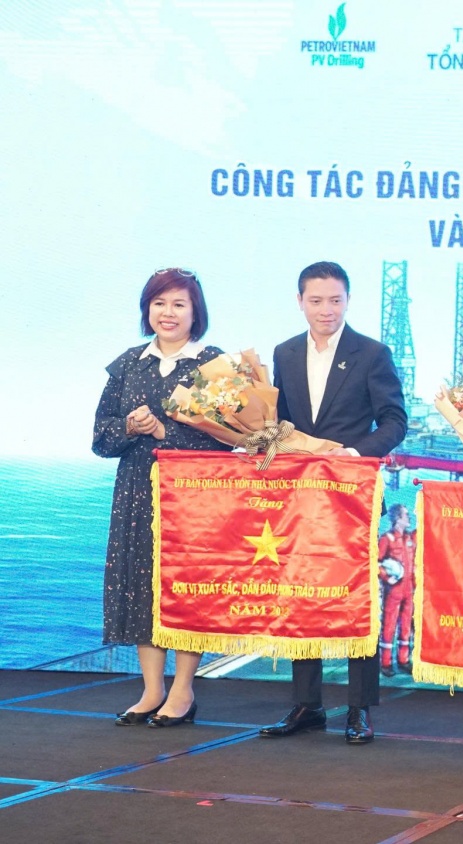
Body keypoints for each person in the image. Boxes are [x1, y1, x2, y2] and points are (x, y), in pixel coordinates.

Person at [259, 261, 408, 745]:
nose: (326, 309)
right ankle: (307, 704)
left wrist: (354, 454)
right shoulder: (283, 353)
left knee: (357, 596)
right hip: (299, 494)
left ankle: (360, 708)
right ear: (299, 301)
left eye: (335, 300)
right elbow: (278, 423)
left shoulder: (373, 353)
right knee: (301, 592)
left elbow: (395, 421)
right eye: (316, 300)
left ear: (348, 300)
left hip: (352, 493)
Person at [93, 268, 231, 728]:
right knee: (140, 584)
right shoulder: (129, 363)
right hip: (136, 488)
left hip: (192, 493)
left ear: (195, 312)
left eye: (178, 304)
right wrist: (130, 427)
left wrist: (163, 433)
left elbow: (227, 441)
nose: (167, 313)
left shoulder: (213, 365)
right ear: (146, 309)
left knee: (185, 587)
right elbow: (101, 437)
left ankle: (183, 690)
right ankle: (151, 690)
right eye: (159, 303)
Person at [378, 503, 416, 677]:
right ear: (398, 518)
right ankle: (386, 663)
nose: (409, 518)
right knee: (389, 626)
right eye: (406, 515)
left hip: (409, 590)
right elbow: (376, 562)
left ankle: (403, 660)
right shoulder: (387, 539)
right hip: (393, 591)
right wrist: (387, 578)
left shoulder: (410, 538)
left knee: (406, 626)